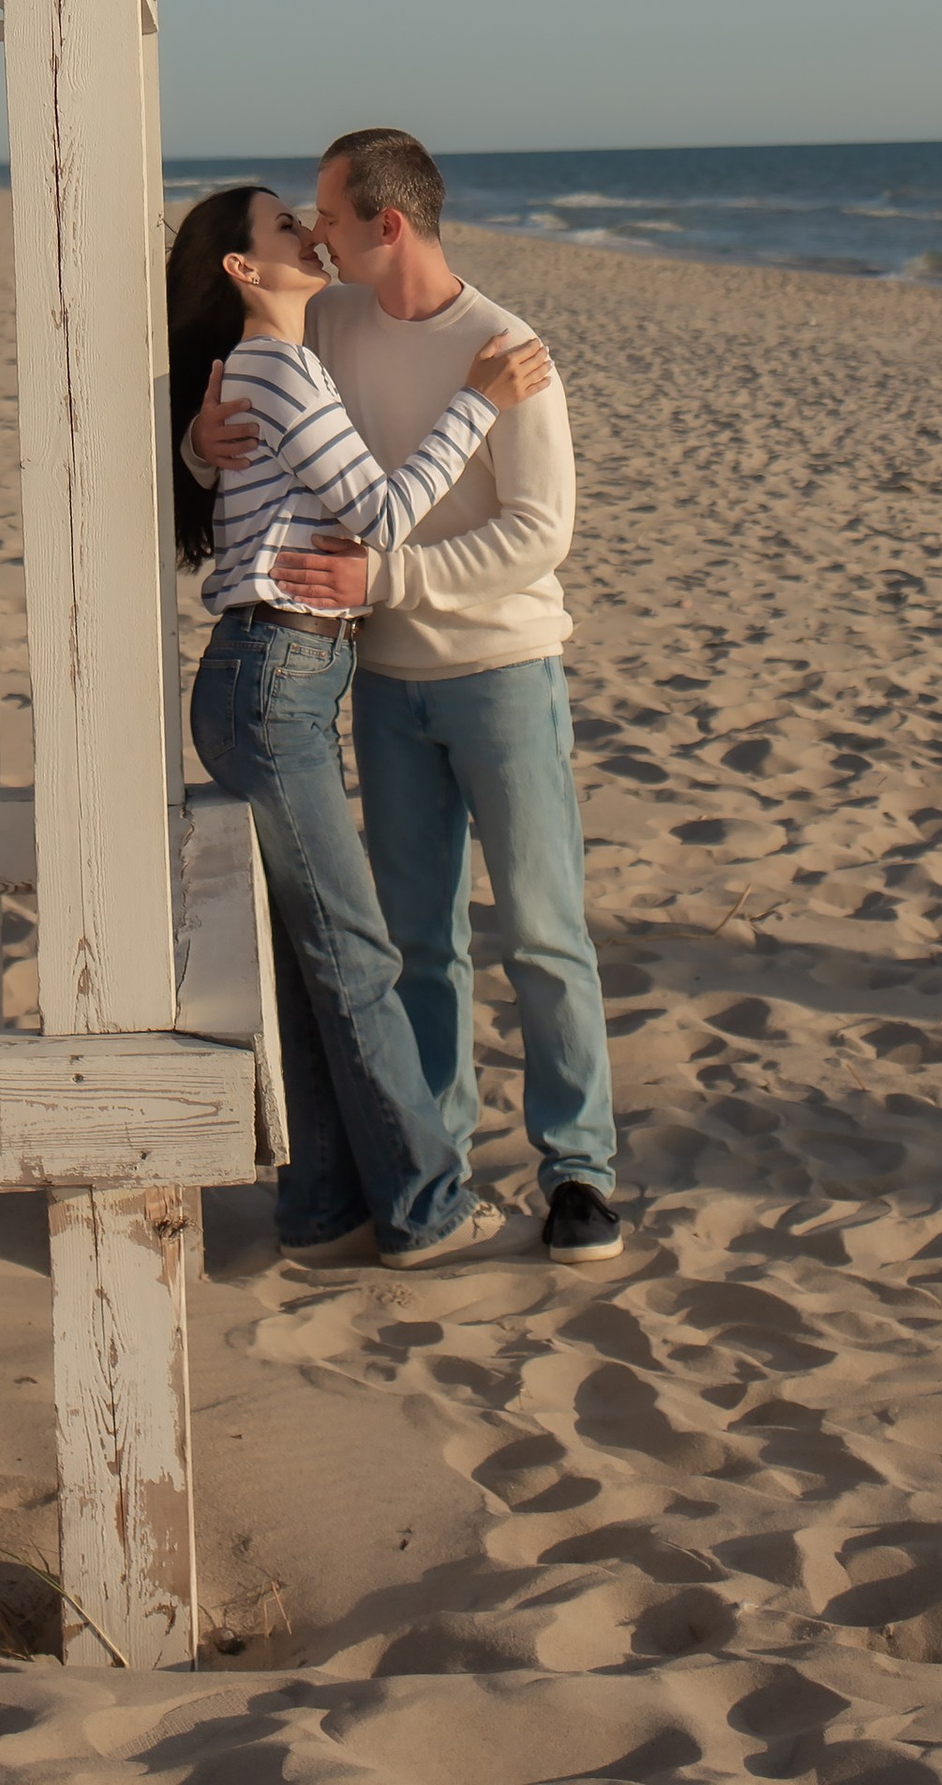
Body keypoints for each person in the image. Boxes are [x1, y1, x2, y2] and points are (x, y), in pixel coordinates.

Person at [187, 128, 623, 1265]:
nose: (314, 234)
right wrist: (197, 445)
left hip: (500, 672)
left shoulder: (506, 349)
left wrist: (394, 576)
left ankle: (577, 1168)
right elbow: (253, 396)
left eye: (325, 215)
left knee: (540, 931)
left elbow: (540, 535)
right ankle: (430, 1162)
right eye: (302, 223)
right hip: (378, 679)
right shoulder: (323, 321)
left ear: (387, 224)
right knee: (414, 941)